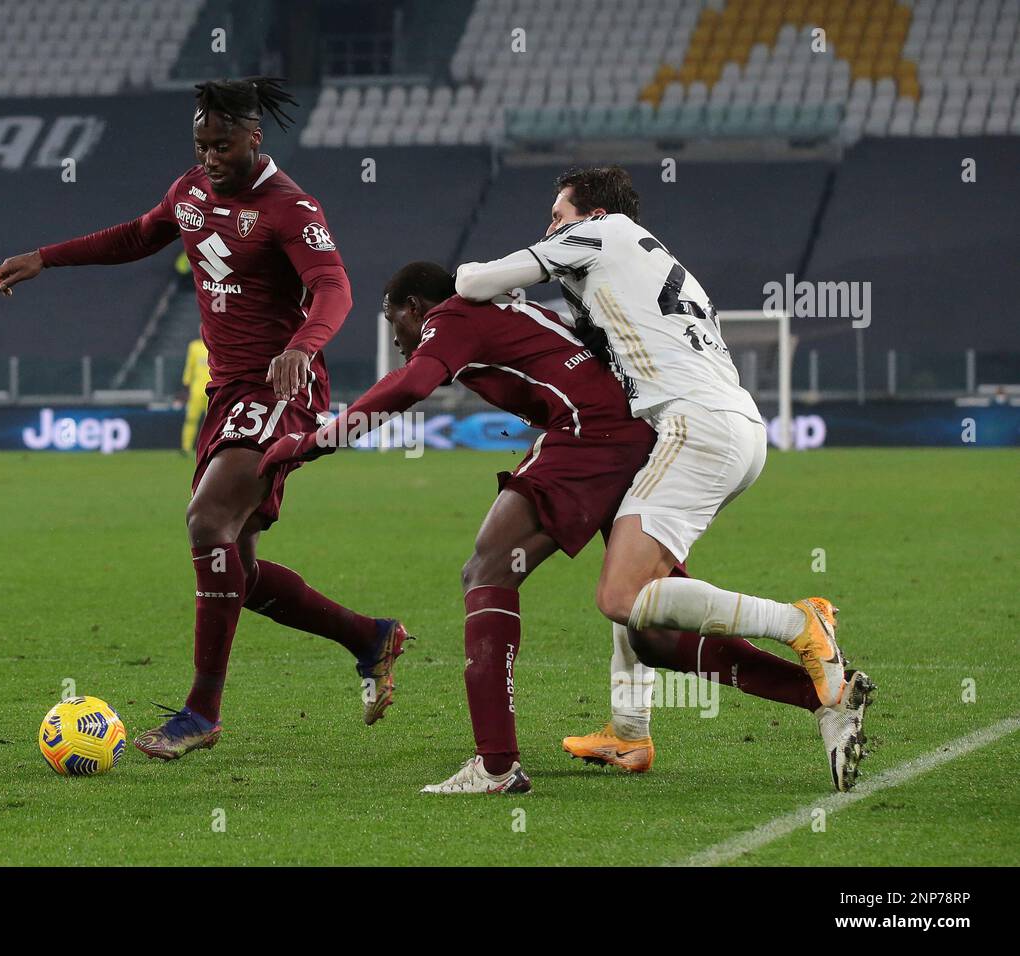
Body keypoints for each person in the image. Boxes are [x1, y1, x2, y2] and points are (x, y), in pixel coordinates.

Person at [261, 262, 868, 793]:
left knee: (488, 568)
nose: (398, 340)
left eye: (395, 320)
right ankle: (824, 699)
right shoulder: (507, 308)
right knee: (650, 624)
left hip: (590, 432)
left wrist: (313, 441)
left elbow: (412, 385)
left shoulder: (450, 315)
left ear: (415, 307)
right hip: (624, 433)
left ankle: (496, 766)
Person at [0, 77, 409, 762]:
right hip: (228, 395)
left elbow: (335, 286)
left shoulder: (289, 207)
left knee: (205, 522)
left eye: (222, 145)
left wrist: (301, 348)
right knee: (234, 567)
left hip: (280, 386)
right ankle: (369, 637)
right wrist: (48, 257)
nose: (210, 156)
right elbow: (136, 236)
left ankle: (200, 712)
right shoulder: (190, 190)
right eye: (201, 144)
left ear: (255, 137)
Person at [454, 166, 872, 790]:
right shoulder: (653, 262)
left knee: (620, 596)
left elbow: (474, 280)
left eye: (558, 213)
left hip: (693, 427)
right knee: (643, 587)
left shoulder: (601, 233)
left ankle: (801, 623)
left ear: (590, 213)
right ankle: (628, 731)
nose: (551, 227)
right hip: (734, 428)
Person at [180, 337, 210, 455]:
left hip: (212, 389)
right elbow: (190, 366)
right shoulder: (194, 347)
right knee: (191, 419)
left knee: (212, 422)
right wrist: (186, 383)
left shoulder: (214, 344)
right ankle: (186, 447)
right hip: (196, 390)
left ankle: (210, 447)